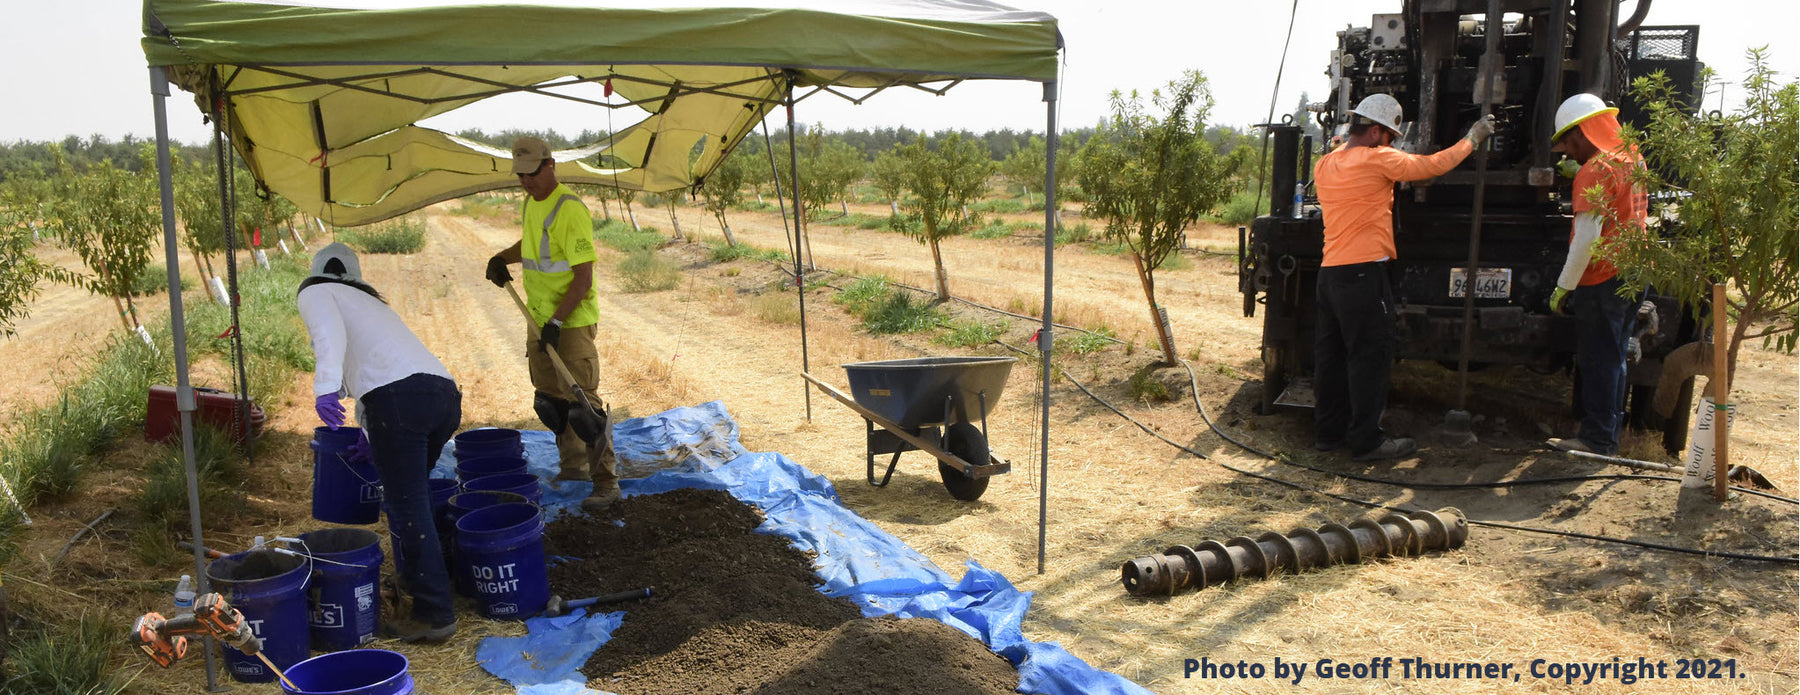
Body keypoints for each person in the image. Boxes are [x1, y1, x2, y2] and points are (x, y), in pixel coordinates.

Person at [1312, 94, 1494, 462]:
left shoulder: (1326, 163)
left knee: (1331, 357)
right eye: (1391, 136)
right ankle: (1367, 442)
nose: (1393, 142)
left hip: (1330, 274)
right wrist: (1472, 139)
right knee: (1370, 357)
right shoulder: (1379, 159)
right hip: (1364, 274)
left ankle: (1329, 435)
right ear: (1377, 131)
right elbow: (1432, 165)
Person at [298, 243, 460, 643]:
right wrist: (372, 434)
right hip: (442, 397)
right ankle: (432, 584)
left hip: (400, 401)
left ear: (317, 272)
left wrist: (326, 389)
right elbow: (379, 372)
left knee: (408, 508)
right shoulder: (370, 304)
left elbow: (328, 338)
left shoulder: (315, 292)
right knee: (415, 500)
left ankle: (434, 613)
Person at [483, 136, 620, 508]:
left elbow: (583, 279)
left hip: (570, 321)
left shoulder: (570, 210)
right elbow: (530, 246)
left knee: (584, 407)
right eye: (520, 175)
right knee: (552, 403)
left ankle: (606, 483)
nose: (526, 182)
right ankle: (572, 466)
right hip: (538, 317)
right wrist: (502, 258)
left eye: (532, 174)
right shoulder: (531, 204)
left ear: (550, 165)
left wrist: (557, 323)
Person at [1545, 93, 1646, 455]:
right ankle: (1607, 434)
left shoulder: (1595, 171)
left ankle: (1597, 439)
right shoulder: (1632, 157)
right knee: (1616, 356)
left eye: (1569, 143)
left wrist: (1562, 287)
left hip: (1602, 279)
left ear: (1584, 132)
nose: (1568, 153)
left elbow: (1586, 240)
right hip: (1634, 274)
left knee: (1598, 360)